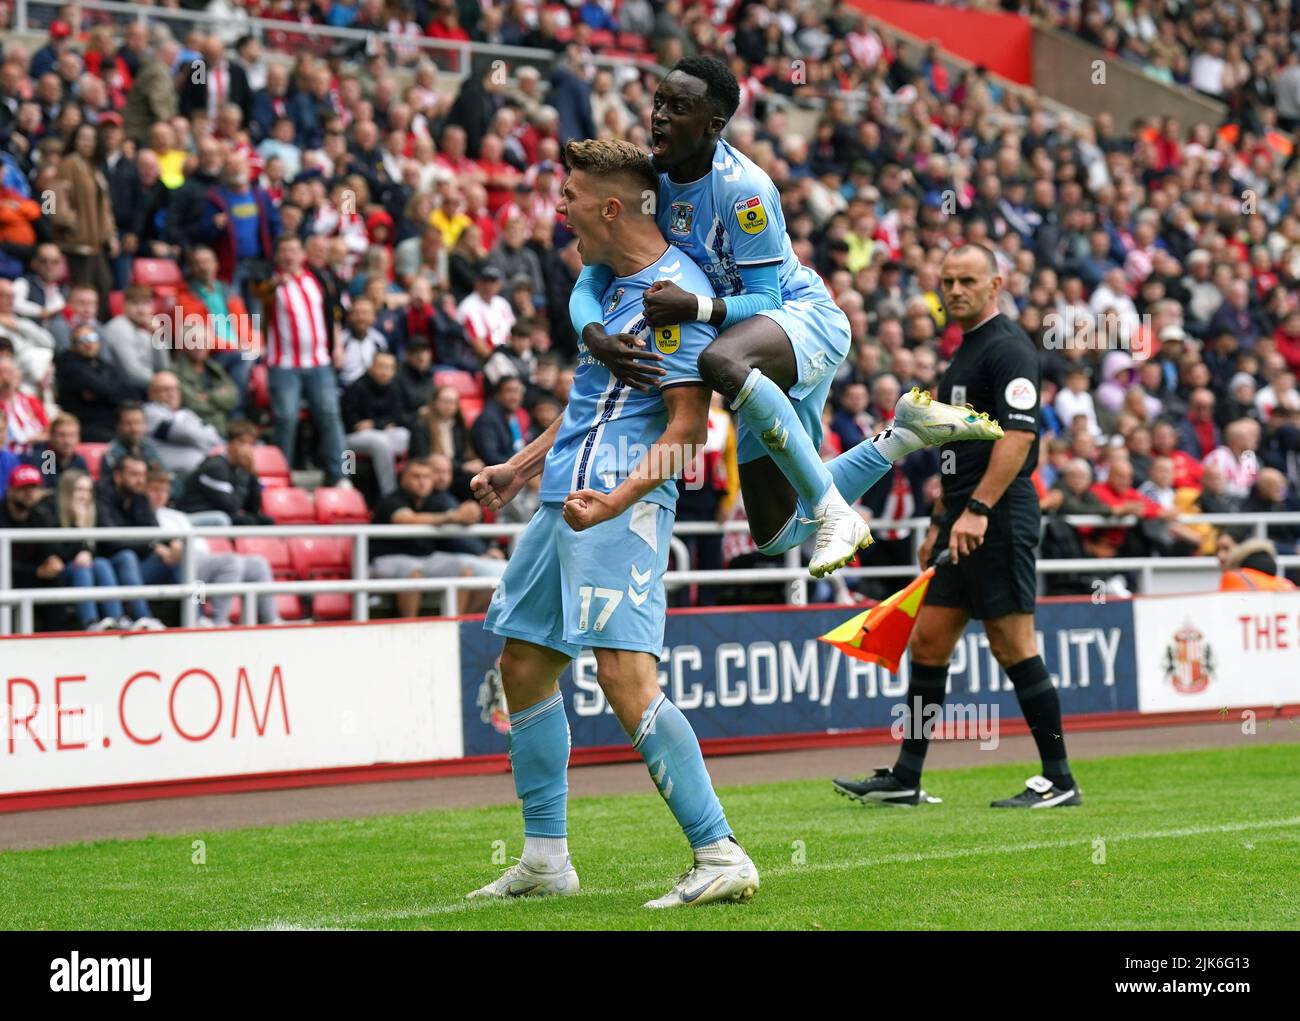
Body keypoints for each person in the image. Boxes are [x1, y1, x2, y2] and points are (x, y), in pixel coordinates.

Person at [467, 139, 759, 908]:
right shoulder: (607, 289)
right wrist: (518, 470)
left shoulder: (675, 297)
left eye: (567, 195)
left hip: (614, 507)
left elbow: (687, 434)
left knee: (625, 678)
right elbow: (586, 404)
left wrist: (618, 500)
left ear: (608, 206)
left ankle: (719, 849)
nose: (556, 207)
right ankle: (545, 857)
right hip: (564, 498)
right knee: (523, 666)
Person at [572, 56, 999, 578]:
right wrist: (595, 335)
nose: (659, 116)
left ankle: (832, 513)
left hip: (801, 320)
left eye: (678, 108)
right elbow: (593, 271)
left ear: (713, 125)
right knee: (774, 535)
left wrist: (697, 307)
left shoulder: (743, 190)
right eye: (659, 102)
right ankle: (901, 438)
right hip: (750, 357)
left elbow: (767, 299)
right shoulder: (646, 181)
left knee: (718, 360)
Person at [833, 244, 1081, 809]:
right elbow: (955, 445)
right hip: (962, 518)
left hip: (999, 515)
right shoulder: (964, 352)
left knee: (1012, 644)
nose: (954, 291)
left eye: (967, 280)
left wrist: (978, 511)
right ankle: (907, 777)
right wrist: (942, 519)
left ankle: (1060, 779)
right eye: (946, 281)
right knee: (929, 642)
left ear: (996, 283)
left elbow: (1019, 438)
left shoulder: (1010, 349)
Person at [254, 234, 348, 486]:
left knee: (330, 415)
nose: (289, 256)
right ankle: (280, 475)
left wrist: (337, 345)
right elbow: (258, 295)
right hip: (284, 364)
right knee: (285, 418)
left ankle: (339, 475)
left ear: (302, 254)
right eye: (283, 251)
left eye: (293, 250)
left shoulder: (316, 278)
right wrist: (275, 283)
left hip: (319, 361)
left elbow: (333, 312)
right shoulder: (270, 282)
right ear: (277, 256)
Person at [369, 455, 505, 616]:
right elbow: (407, 518)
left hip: (425, 558)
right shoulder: (392, 500)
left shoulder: (433, 501)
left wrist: (470, 511)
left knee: (465, 569)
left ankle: (458, 621)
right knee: (413, 571)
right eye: (416, 477)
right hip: (385, 559)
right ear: (403, 479)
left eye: (426, 477)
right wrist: (453, 517)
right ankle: (409, 626)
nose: (422, 481)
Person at [146, 468, 283, 626]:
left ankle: (272, 620)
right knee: (228, 563)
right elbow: (156, 547)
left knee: (258, 564)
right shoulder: (145, 515)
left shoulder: (177, 515)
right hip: (181, 565)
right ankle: (218, 621)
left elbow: (200, 544)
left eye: (164, 490)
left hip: (201, 559)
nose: (160, 495)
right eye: (154, 490)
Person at [51, 469, 151, 631]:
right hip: (63, 570)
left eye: (88, 490)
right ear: (67, 491)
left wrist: (85, 545)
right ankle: (89, 622)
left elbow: (97, 550)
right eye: (79, 490)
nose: (85, 495)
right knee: (83, 568)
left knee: (102, 564)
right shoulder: (53, 512)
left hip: (89, 567)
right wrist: (79, 527)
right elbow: (58, 552)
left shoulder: (92, 512)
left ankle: (119, 619)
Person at [93, 454, 174, 630]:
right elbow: (111, 541)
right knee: (126, 556)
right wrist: (150, 544)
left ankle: (195, 619)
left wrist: (170, 546)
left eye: (142, 475)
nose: (140, 480)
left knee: (180, 561)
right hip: (108, 567)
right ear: (118, 476)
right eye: (134, 475)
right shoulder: (101, 495)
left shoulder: (141, 498)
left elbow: (155, 532)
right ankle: (143, 618)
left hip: (137, 569)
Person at [177, 420, 273, 526]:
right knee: (246, 521)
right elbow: (232, 506)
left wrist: (252, 473)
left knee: (266, 521)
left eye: (250, 444)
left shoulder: (240, 469)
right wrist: (245, 475)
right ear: (229, 444)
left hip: (221, 513)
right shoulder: (215, 466)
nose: (246, 448)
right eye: (241, 442)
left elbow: (253, 508)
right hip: (197, 514)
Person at [340, 351, 410, 497]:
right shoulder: (356, 387)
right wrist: (383, 424)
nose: (385, 371)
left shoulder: (394, 387)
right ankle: (389, 494)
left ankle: (406, 486)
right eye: (381, 366)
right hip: (351, 439)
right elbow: (351, 423)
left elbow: (399, 418)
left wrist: (374, 424)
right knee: (380, 442)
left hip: (381, 434)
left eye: (390, 367)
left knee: (405, 435)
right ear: (371, 367)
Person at [53, 324, 138, 442]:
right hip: (85, 425)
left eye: (92, 338)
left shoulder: (103, 364)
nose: (89, 343)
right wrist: (108, 391)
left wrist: (105, 393)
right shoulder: (69, 364)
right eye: (83, 340)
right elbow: (103, 388)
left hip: (110, 422)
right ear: (73, 345)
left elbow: (120, 389)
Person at [25, 412, 89, 488]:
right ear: (51, 437)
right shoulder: (43, 459)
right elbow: (44, 491)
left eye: (72, 435)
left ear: (78, 438)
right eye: (61, 435)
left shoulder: (79, 461)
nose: (67, 441)